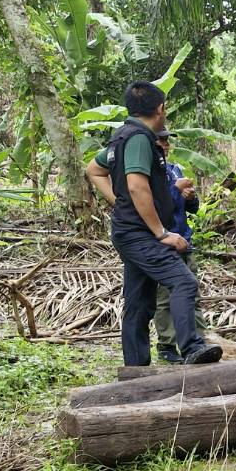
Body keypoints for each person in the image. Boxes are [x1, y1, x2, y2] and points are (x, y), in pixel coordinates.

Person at [85, 82, 221, 367]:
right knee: (183, 281)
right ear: (160, 109)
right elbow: (136, 187)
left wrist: (118, 202)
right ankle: (192, 347)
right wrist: (162, 232)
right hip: (141, 234)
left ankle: (134, 368)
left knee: (139, 302)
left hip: (130, 231)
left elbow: (94, 169)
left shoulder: (121, 137)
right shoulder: (138, 138)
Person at [152, 130, 206, 363]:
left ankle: (198, 341)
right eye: (160, 140)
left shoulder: (176, 169)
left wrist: (191, 197)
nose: (165, 145)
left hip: (184, 240)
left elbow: (191, 209)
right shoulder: (150, 174)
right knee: (165, 297)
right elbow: (156, 203)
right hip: (163, 241)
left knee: (191, 292)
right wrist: (175, 188)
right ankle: (167, 344)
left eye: (166, 141)